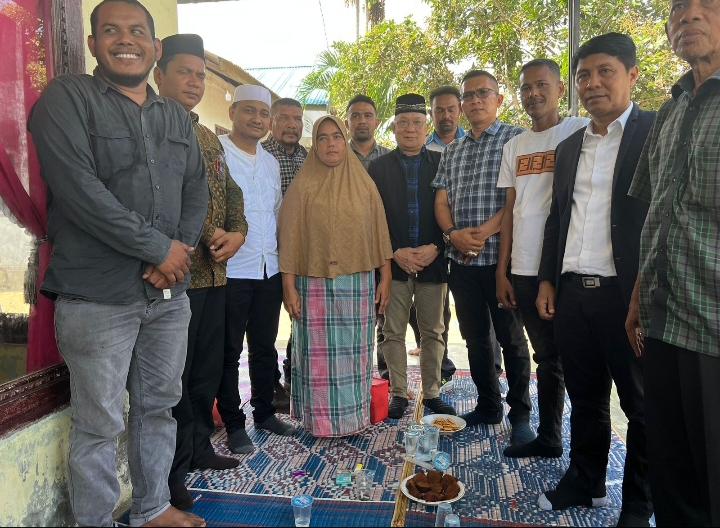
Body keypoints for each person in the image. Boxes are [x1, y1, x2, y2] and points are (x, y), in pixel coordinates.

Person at [27, 1, 208, 526]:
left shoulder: (175, 116)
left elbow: (195, 189)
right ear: (92, 44)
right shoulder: (67, 98)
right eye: (111, 30)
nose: (125, 39)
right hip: (97, 297)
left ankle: (153, 508)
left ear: (154, 46)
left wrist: (177, 251)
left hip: (167, 297)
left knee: (158, 407)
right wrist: (158, 249)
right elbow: (80, 191)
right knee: (98, 424)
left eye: (136, 31)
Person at [536, 34, 654, 526]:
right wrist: (548, 280)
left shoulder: (654, 132)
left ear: (631, 75)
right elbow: (557, 218)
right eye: (584, 75)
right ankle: (586, 482)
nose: (593, 83)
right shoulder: (569, 146)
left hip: (628, 298)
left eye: (605, 71)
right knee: (585, 397)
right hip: (572, 295)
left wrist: (647, 293)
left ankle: (639, 502)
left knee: (641, 405)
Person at [625, 1, 720, 524]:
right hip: (663, 321)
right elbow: (658, 214)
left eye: (706, 4)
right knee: (672, 475)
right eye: (679, 7)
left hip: (714, 329)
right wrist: (638, 299)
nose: (690, 15)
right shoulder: (671, 110)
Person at [154, 34, 249, 511]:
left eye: (200, 74)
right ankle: (169, 475)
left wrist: (238, 233)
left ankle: (197, 449)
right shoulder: (151, 126)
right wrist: (209, 229)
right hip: (175, 278)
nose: (194, 82)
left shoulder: (207, 135)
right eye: (183, 72)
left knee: (206, 370)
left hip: (215, 276)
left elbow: (230, 192)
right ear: (159, 74)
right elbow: (163, 198)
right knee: (173, 376)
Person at [432, 70, 534, 446]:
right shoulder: (453, 150)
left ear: (498, 99)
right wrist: (452, 234)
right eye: (469, 95)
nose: (475, 100)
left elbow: (519, 198)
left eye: (483, 93)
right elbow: (441, 200)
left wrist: (485, 232)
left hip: (500, 262)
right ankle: (488, 406)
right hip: (462, 262)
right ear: (462, 105)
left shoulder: (516, 139)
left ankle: (520, 414)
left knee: (511, 339)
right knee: (475, 339)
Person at [495, 59, 589, 459]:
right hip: (523, 268)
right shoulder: (514, 146)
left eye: (541, 85)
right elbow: (511, 211)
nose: (533, 93)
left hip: (564, 267)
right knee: (546, 356)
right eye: (526, 87)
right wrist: (502, 271)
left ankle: (575, 447)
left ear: (560, 88)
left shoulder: (579, 130)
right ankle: (549, 437)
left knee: (572, 358)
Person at [277, 115, 393, 436]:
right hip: (312, 283)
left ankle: (352, 418)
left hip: (356, 283)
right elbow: (289, 238)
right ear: (315, 145)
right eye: (323, 138)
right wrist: (288, 286)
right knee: (316, 354)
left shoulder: (364, 185)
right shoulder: (302, 186)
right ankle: (319, 421)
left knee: (353, 353)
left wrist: (385, 278)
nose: (331, 143)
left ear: (345, 142)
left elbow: (380, 233)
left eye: (337, 137)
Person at [217, 85, 297, 457]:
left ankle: (264, 412)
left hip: (269, 268)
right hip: (231, 268)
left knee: (264, 347)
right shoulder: (218, 152)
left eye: (263, 113)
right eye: (249, 110)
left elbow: (277, 213)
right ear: (232, 112)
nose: (257, 119)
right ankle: (234, 424)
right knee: (229, 350)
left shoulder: (270, 161)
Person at [368, 94, 456, 419]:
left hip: (433, 263)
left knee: (433, 332)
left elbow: (453, 209)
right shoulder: (377, 168)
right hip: (393, 265)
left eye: (417, 122)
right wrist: (394, 251)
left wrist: (438, 246)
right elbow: (373, 218)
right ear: (393, 127)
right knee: (392, 332)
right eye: (403, 122)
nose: (410, 128)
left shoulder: (442, 162)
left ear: (426, 127)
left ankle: (432, 393)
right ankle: (398, 393)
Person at [261, 97, 309, 412]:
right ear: (272, 122)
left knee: (300, 317)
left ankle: (295, 376)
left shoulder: (310, 158)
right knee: (266, 324)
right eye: (285, 118)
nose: (292, 125)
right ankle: (270, 384)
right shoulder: (260, 155)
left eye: (297, 119)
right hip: (266, 252)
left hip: (302, 253)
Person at [346, 94, 391, 169]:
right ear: (347, 124)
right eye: (356, 116)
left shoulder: (390, 158)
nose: (362, 121)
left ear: (376, 123)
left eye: (368, 116)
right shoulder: (338, 156)